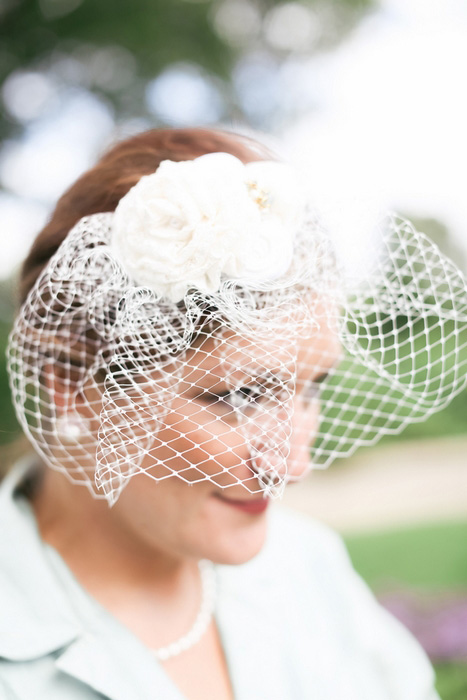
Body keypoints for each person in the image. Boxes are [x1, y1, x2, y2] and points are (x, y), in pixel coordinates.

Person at [1, 127, 464, 700]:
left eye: (312, 387)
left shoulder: (308, 565)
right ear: (71, 383)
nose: (294, 465)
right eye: (238, 397)